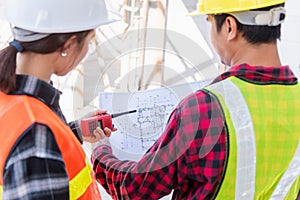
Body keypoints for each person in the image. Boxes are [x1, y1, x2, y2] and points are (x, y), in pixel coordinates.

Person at [89, 0, 300, 199]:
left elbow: (134, 188)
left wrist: (101, 148)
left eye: (209, 22)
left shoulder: (204, 109)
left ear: (229, 27)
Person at [0, 0, 117, 199]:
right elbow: (34, 146)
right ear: (68, 46)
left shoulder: (12, 96)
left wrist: (71, 131)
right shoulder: (36, 134)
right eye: (88, 43)